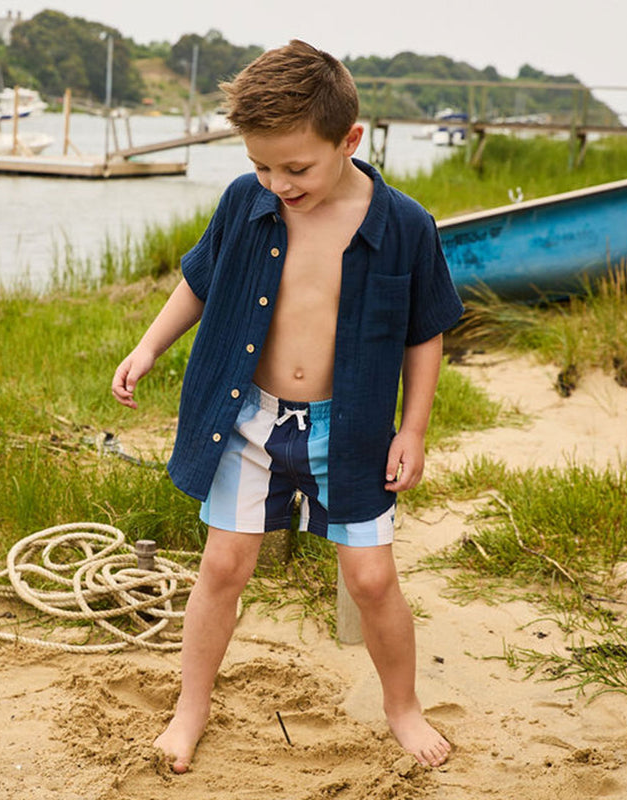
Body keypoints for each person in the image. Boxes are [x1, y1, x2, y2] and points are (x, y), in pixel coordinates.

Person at [111, 39, 464, 774]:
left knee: (371, 579)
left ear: (350, 140)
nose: (278, 183)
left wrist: (415, 428)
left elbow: (424, 333)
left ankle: (403, 707)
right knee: (223, 568)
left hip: (354, 429)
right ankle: (191, 706)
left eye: (295, 167)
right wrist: (148, 347)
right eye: (260, 166)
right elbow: (199, 283)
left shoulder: (404, 224)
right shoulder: (247, 204)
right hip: (250, 420)